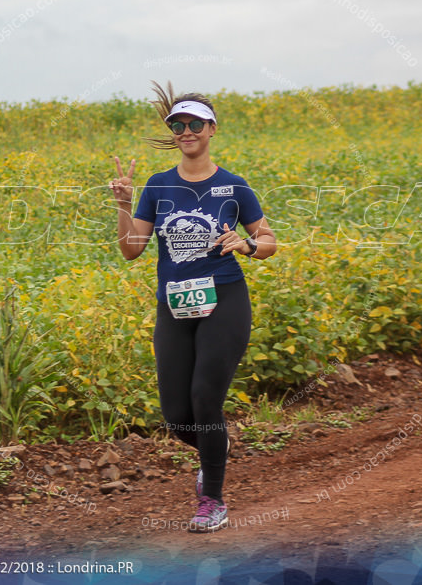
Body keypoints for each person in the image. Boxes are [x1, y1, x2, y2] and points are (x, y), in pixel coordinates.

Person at [109, 81, 277, 532]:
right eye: (178, 124)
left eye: (194, 123)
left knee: (206, 399)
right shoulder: (159, 186)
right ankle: (213, 449)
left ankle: (213, 502)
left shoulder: (233, 186)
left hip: (225, 300)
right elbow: (131, 250)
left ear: (211, 129)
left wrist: (245, 244)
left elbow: (269, 241)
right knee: (176, 415)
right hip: (174, 306)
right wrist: (124, 206)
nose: (186, 130)